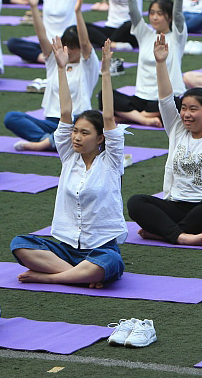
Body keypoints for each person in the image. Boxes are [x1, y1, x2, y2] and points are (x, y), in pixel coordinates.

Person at [10, 40, 127, 287]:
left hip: (100, 248)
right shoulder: (68, 155)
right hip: (66, 248)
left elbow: (108, 116)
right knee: (20, 244)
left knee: (111, 263)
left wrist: (105, 72)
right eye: (75, 131)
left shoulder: (112, 160)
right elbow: (65, 112)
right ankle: (78, 276)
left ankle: (49, 277)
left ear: (100, 138)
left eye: (85, 133)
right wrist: (61, 69)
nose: (76, 137)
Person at [126, 36, 202, 246]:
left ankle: (165, 233)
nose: (186, 114)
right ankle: (181, 236)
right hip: (176, 206)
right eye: (184, 108)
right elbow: (166, 100)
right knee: (136, 202)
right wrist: (160, 63)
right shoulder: (177, 130)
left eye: (193, 109)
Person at [4, 0, 97, 152]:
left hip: (76, 122)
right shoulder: (56, 61)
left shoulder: (87, 65)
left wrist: (78, 13)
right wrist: (34, 7)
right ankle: (51, 141)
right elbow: (42, 37)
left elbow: (85, 43)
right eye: (67, 47)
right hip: (52, 122)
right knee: (12, 118)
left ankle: (46, 143)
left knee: (80, 129)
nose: (69, 51)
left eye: (74, 48)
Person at [112, 0, 186, 126]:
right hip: (142, 99)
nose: (154, 17)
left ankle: (130, 117)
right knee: (105, 96)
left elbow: (179, 13)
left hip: (166, 98)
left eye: (160, 14)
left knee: (180, 104)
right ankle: (144, 118)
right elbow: (133, 11)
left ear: (169, 17)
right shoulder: (144, 34)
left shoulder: (177, 37)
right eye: (152, 13)